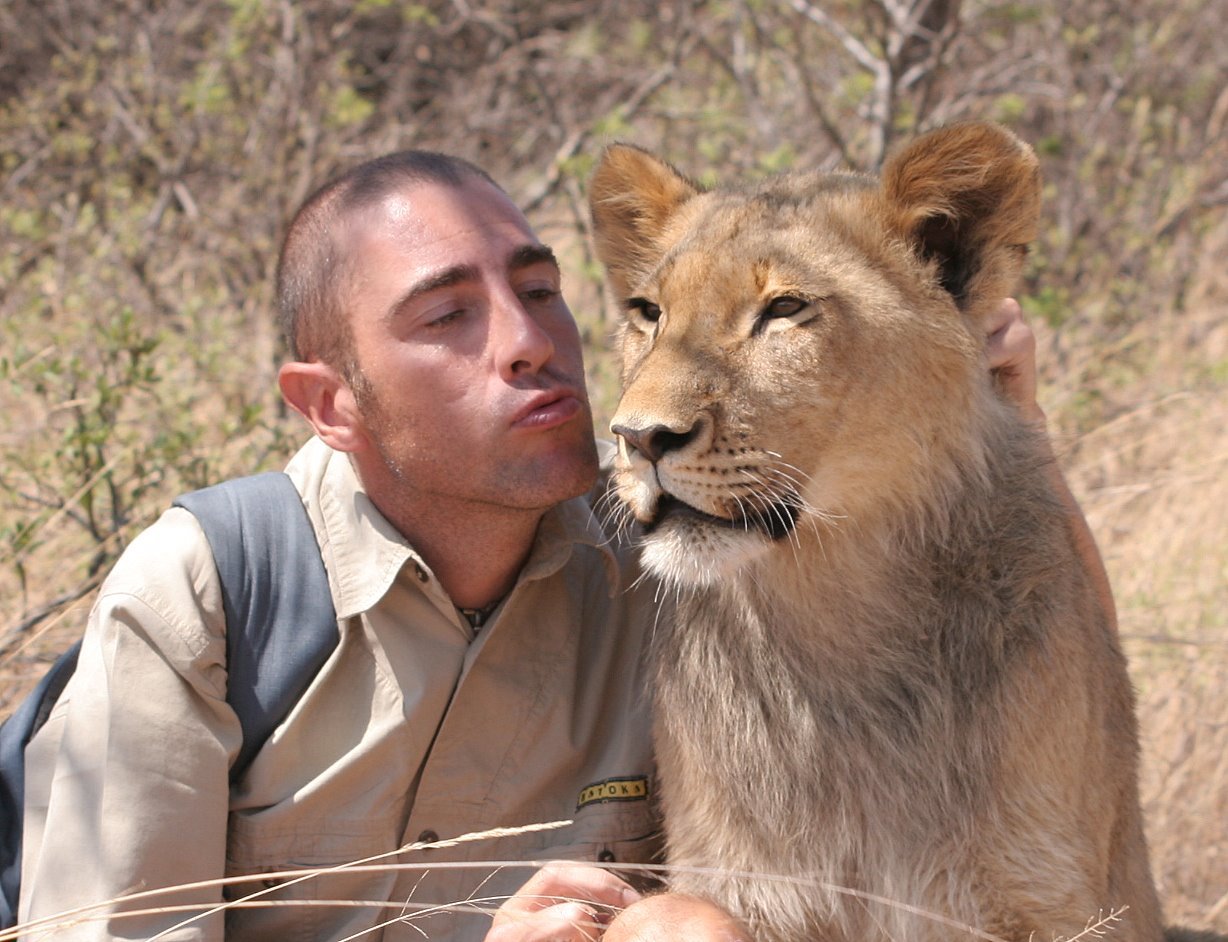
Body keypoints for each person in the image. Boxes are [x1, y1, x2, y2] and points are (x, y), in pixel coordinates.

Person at [15, 149, 1076, 942]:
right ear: (330, 404)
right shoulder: (214, 593)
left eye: (538, 291)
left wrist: (999, 420)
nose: (530, 345)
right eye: (448, 318)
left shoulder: (668, 554)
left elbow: (1033, 650)